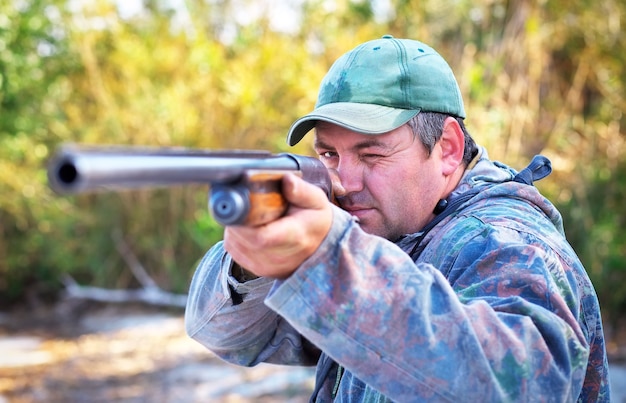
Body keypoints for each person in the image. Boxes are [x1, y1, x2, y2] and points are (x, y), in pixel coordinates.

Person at [184, 35, 610, 401]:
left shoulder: (504, 240)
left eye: (372, 154)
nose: (345, 182)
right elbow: (226, 335)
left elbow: (524, 389)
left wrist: (329, 262)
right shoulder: (391, 233)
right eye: (329, 154)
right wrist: (251, 262)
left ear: (446, 148)